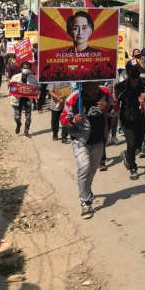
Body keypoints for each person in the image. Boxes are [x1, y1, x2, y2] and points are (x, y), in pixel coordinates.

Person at [61, 82, 114, 219]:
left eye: (95, 85)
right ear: (83, 85)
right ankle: (85, 202)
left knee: (92, 170)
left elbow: (115, 111)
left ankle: (86, 188)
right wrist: (73, 120)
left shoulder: (105, 93)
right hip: (80, 140)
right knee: (84, 167)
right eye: (90, 86)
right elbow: (63, 119)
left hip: (98, 139)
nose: (94, 89)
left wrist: (108, 107)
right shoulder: (74, 98)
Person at [115, 60, 145, 180]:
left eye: (137, 70)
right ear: (128, 71)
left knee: (138, 145)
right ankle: (133, 168)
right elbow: (115, 102)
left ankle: (127, 155)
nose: (135, 73)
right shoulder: (121, 86)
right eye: (132, 70)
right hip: (127, 119)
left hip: (141, 118)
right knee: (131, 143)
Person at [9, 61, 38, 136]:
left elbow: (36, 88)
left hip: (27, 99)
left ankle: (26, 130)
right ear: (21, 68)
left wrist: (38, 88)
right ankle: (18, 124)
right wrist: (9, 85)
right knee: (17, 117)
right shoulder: (15, 77)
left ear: (30, 69)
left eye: (27, 68)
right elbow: (11, 87)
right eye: (24, 68)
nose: (26, 69)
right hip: (17, 99)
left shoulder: (33, 78)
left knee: (28, 117)